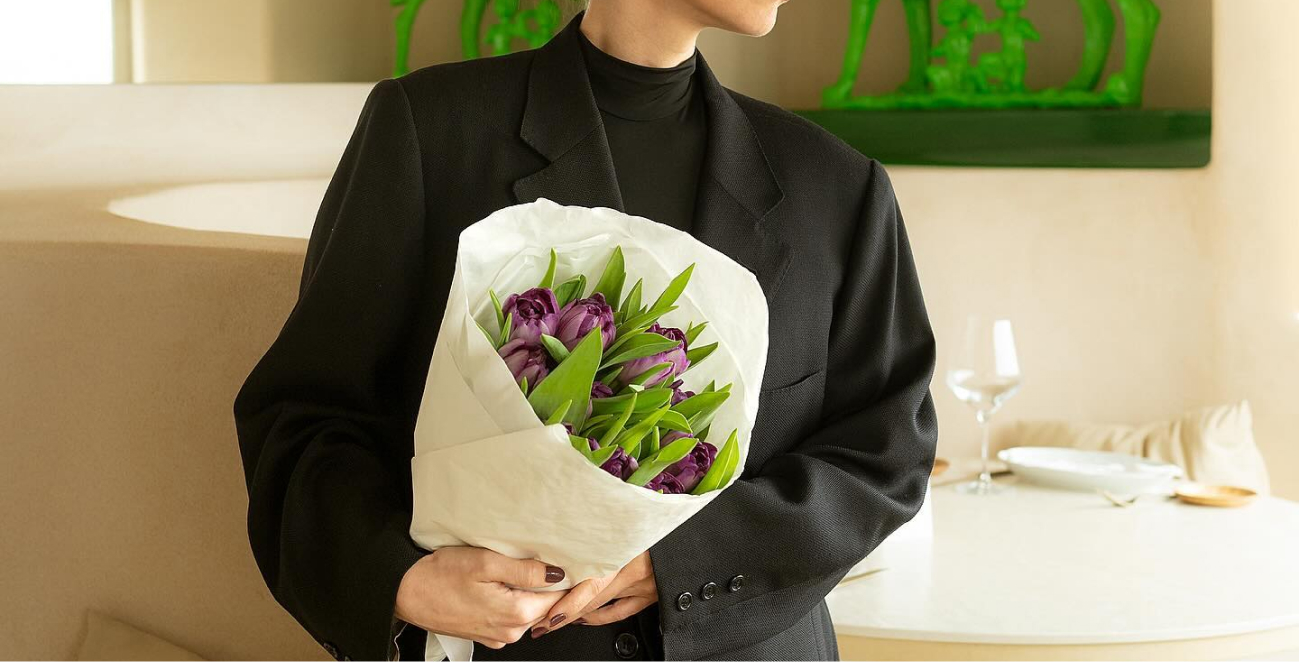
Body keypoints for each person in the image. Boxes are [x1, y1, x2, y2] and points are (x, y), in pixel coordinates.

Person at [232, 1, 938, 660]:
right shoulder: (432, 130)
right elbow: (308, 414)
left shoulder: (837, 186)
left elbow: (886, 451)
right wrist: (401, 580)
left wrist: (684, 561)